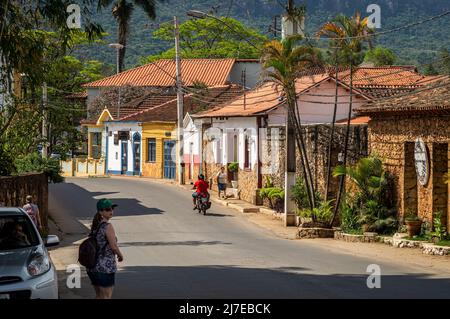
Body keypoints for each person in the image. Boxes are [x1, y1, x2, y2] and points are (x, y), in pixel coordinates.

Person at [86, 199, 124, 299]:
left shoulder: (95, 226)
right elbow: (114, 246)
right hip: (105, 268)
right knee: (106, 296)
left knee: (99, 296)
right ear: (100, 212)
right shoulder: (108, 226)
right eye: (107, 209)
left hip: (92, 267)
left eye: (112, 208)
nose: (111, 211)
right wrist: (120, 256)